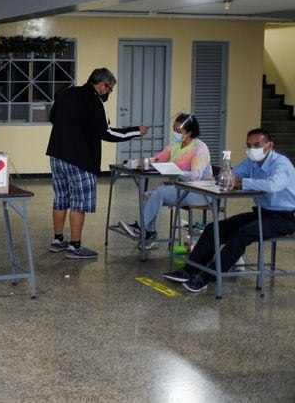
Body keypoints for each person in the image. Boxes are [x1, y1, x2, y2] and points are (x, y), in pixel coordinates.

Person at [163, 128, 295, 293]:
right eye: (249, 145)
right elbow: (231, 175)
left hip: (285, 217)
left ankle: (207, 277)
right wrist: (218, 179)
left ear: (269, 146)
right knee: (214, 228)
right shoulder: (251, 162)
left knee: (241, 235)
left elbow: (272, 185)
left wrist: (243, 183)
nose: (252, 149)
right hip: (262, 213)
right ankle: (189, 270)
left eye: (257, 145)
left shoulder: (281, 164)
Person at [46, 67, 148, 259]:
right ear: (102, 85)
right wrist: (135, 131)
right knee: (79, 203)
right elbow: (106, 133)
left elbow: (53, 118)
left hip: (56, 155)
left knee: (60, 198)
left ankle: (58, 240)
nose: (108, 93)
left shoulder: (66, 93)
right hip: (80, 160)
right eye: (109, 89)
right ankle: (75, 247)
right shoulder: (94, 101)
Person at [118, 113, 212, 248]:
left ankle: (140, 227)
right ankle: (150, 233)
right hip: (182, 188)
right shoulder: (176, 145)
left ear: (190, 132)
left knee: (160, 191)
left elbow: (195, 176)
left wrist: (175, 170)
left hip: (200, 192)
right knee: (147, 195)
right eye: (174, 130)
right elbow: (159, 158)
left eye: (179, 131)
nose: (175, 133)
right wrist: (144, 162)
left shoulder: (200, 148)